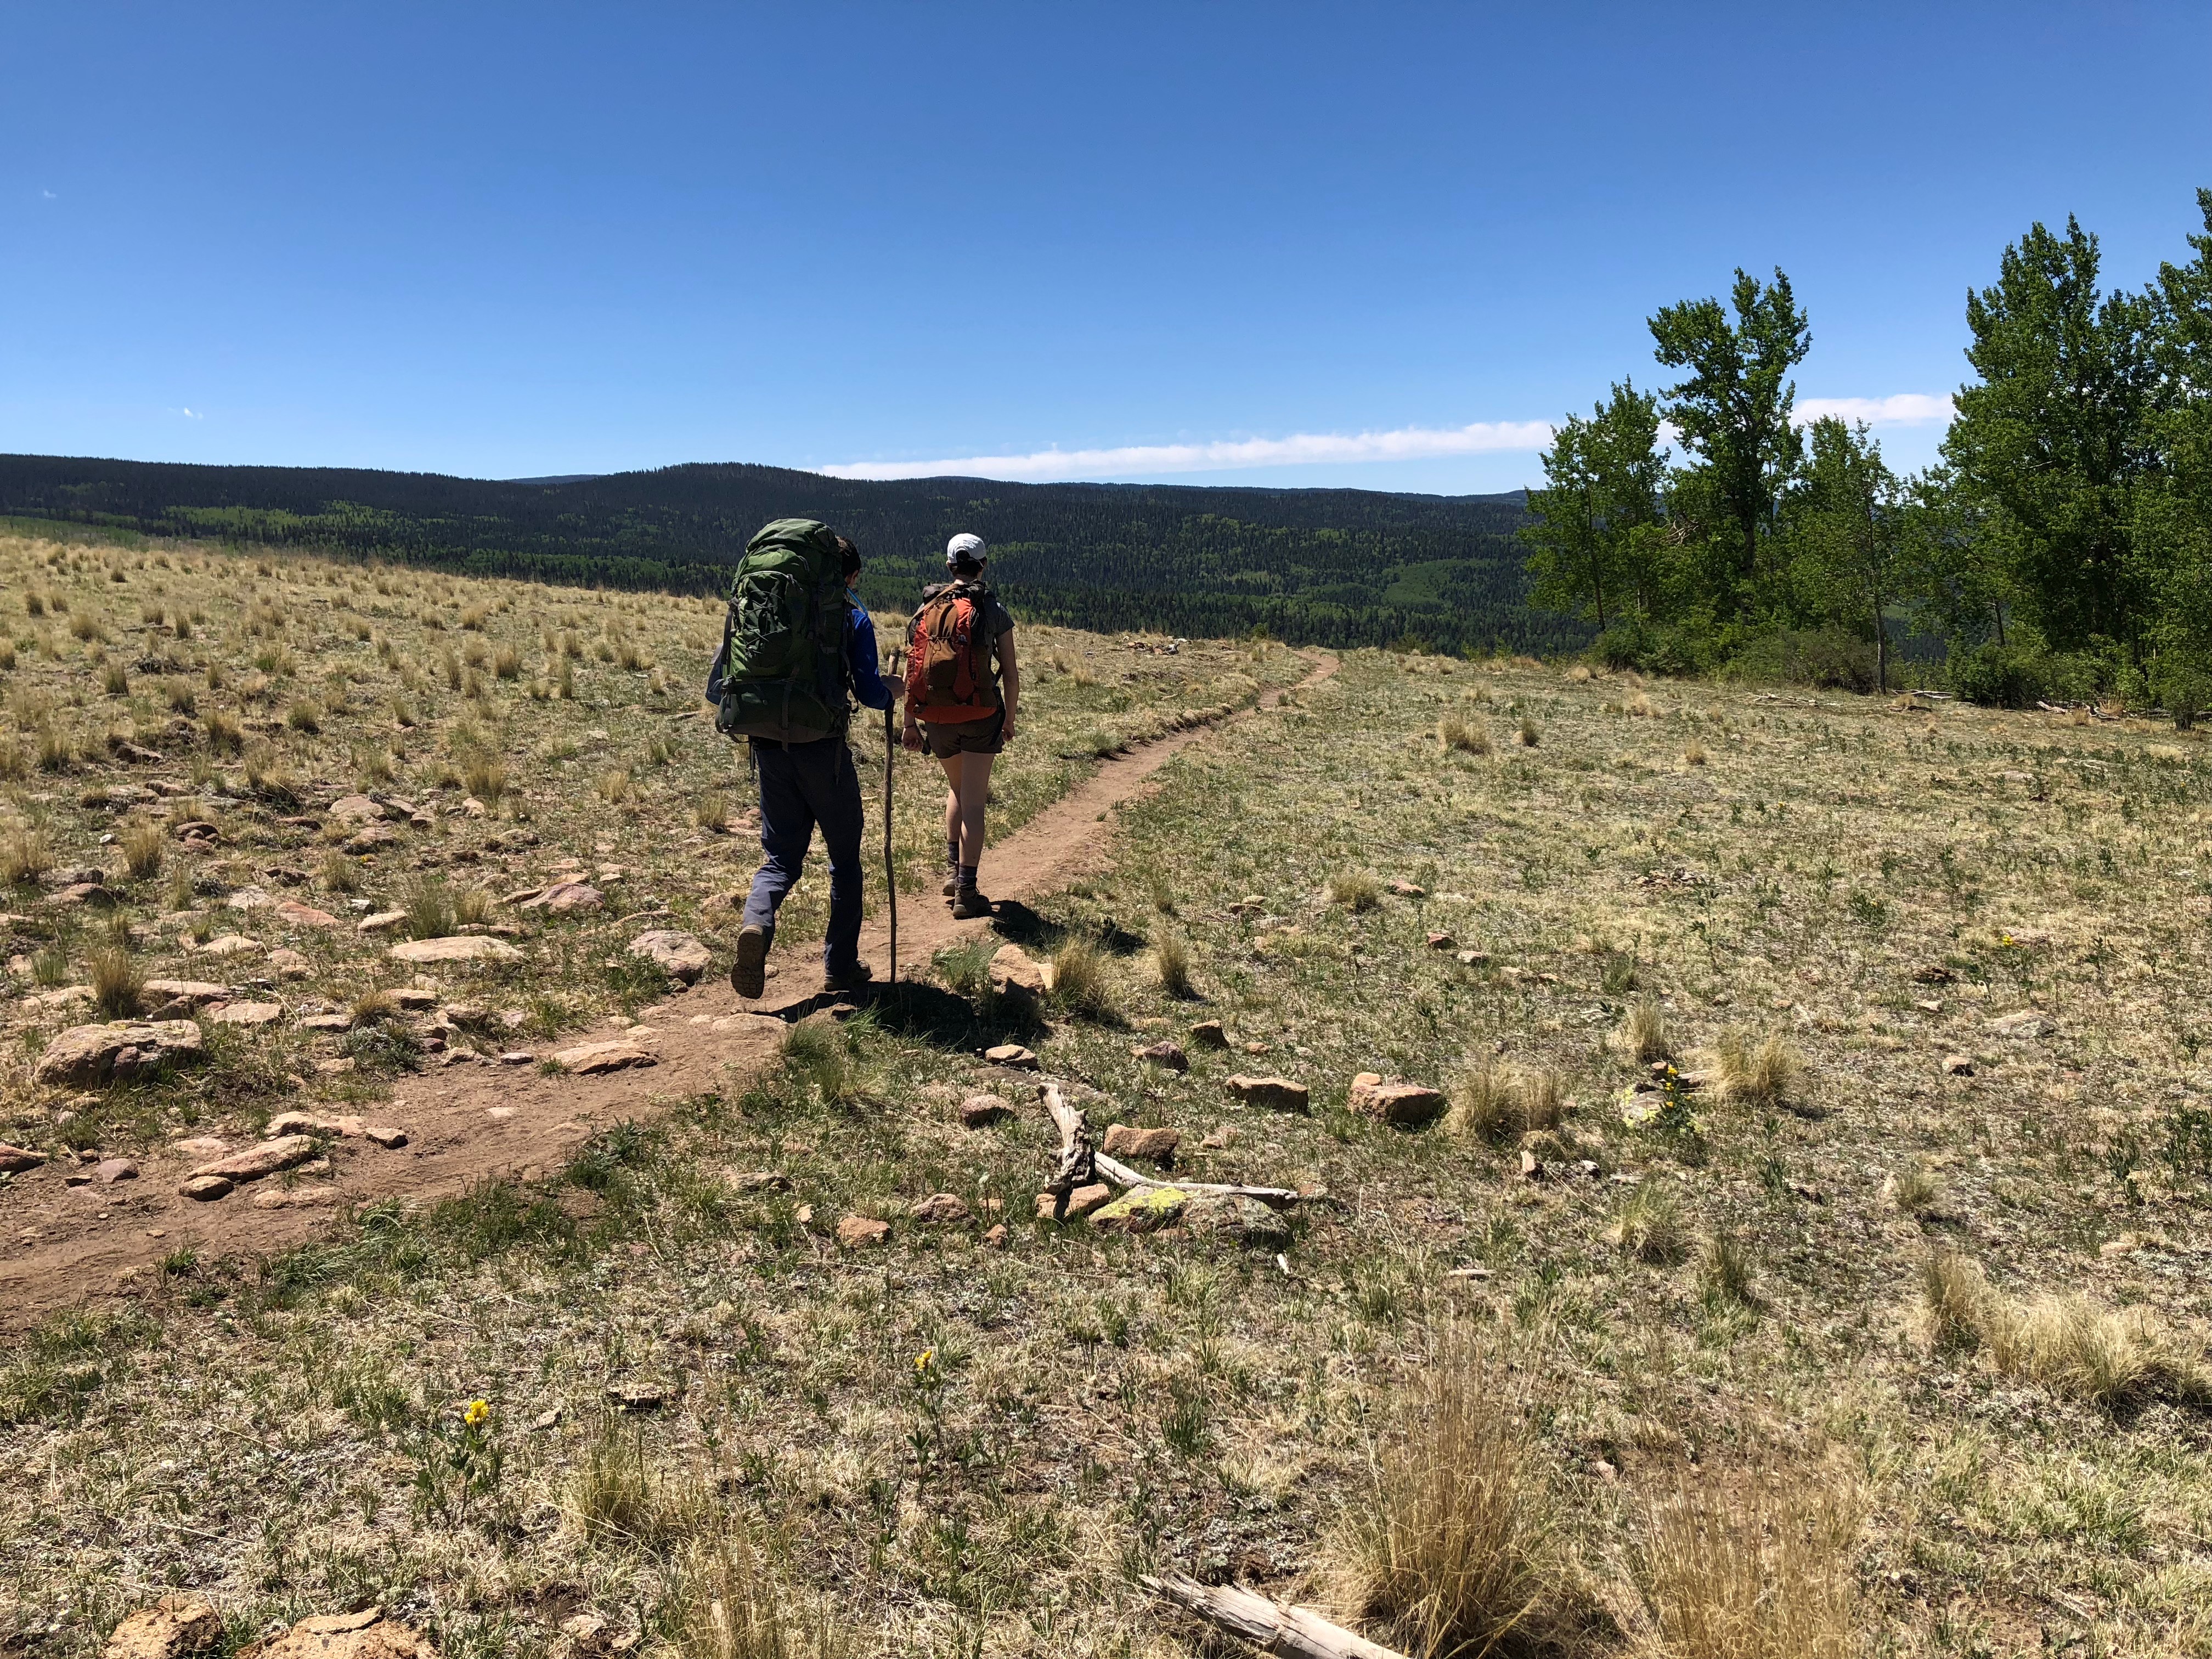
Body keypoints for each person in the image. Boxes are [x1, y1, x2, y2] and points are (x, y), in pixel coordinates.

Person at [726, 534, 898, 998]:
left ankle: (757, 922)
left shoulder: (762, 605)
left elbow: (720, 681)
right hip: (823, 750)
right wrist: (891, 693)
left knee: (781, 855)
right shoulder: (851, 614)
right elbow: (867, 691)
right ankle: (839, 967)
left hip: (767, 743)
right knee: (845, 860)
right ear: (849, 575)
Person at [903, 531, 1018, 920]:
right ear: (983, 565)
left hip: (936, 718)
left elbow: (911, 670)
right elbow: (1013, 675)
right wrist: (1010, 719)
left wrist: (910, 724)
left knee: (956, 788)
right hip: (980, 715)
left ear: (950, 566)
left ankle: (954, 873)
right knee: (973, 801)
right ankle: (967, 893)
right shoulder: (992, 610)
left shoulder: (926, 610)